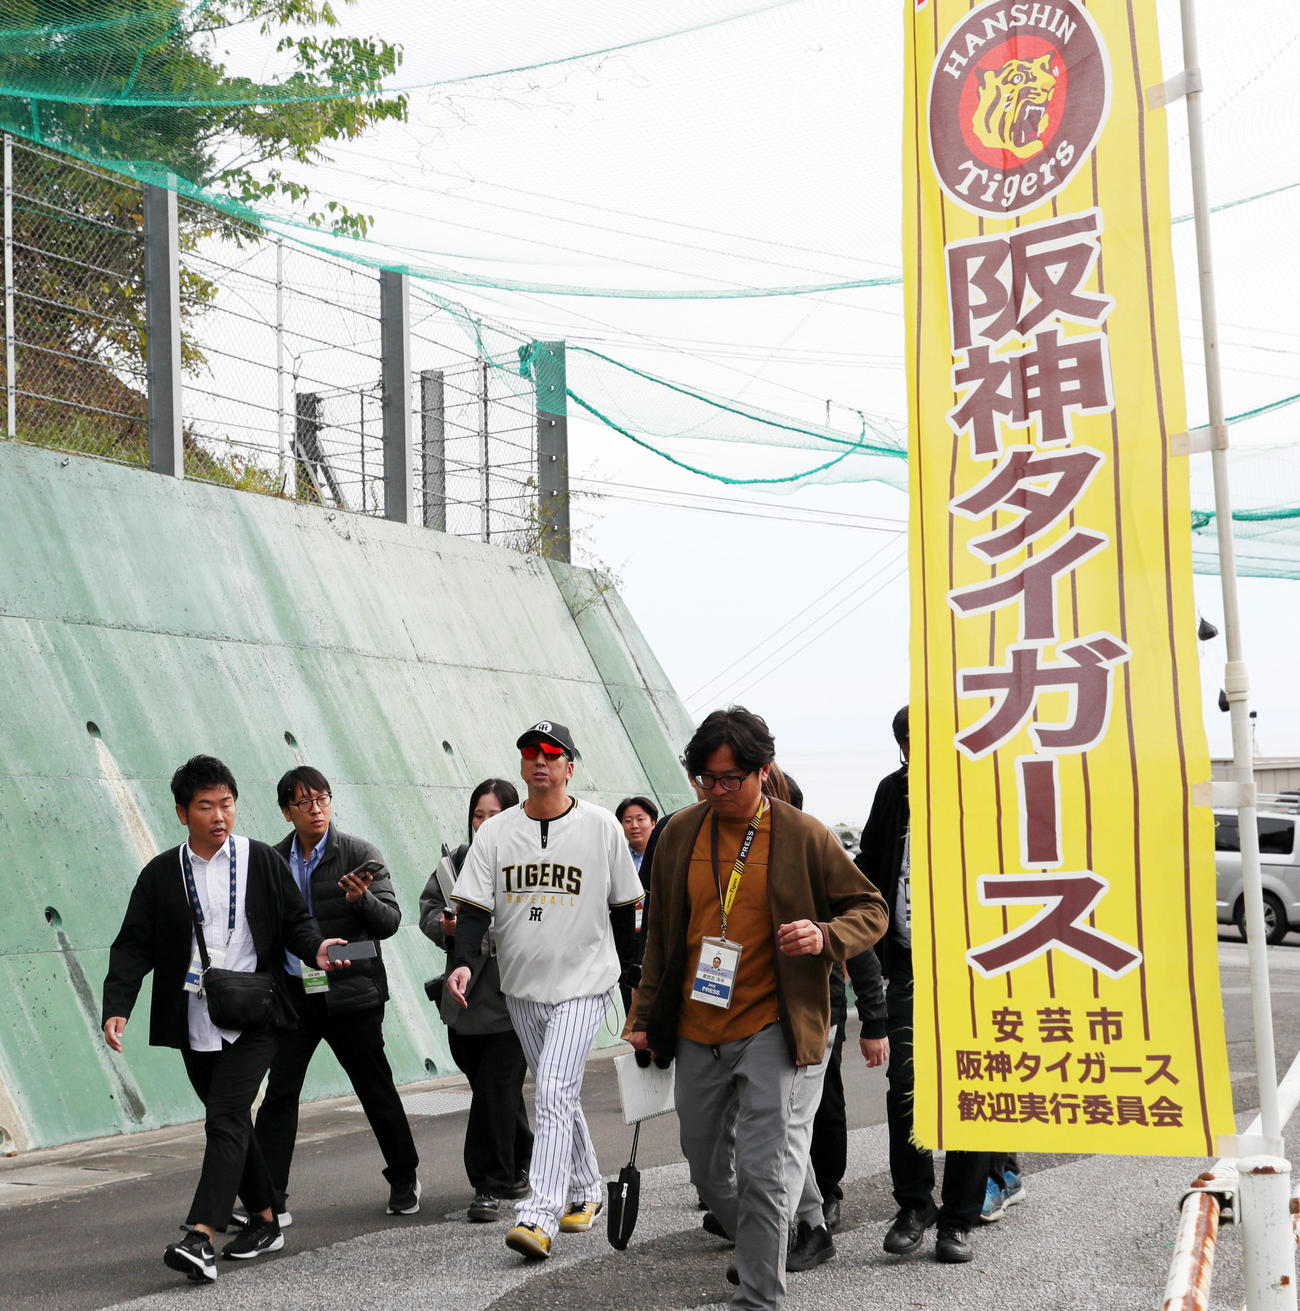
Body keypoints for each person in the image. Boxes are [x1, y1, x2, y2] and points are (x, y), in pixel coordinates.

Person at [630, 706, 888, 1311]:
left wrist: (825, 935)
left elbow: (870, 909)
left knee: (763, 1170)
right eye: (706, 780)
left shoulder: (803, 834)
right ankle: (769, 1241)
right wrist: (643, 1017)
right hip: (696, 1026)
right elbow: (663, 934)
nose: (718, 791)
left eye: (731, 780)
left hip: (775, 1024)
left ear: (762, 771)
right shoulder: (679, 834)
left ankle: (758, 1297)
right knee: (704, 1161)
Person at [101, 755, 346, 1283]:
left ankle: (201, 1236)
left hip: (257, 1013)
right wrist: (118, 1005)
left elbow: (297, 923)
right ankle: (264, 1218)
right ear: (181, 812)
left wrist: (318, 949)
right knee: (232, 1119)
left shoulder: (259, 859)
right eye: (206, 806)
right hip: (194, 1018)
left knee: (224, 1116)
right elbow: (133, 945)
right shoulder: (163, 873)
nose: (219, 816)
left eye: (227, 804)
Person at [446, 720, 642, 1262]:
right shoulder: (496, 832)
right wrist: (463, 964)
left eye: (552, 754)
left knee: (553, 1089)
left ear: (569, 766)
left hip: (585, 982)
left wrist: (634, 991)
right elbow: (472, 909)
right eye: (531, 752)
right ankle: (585, 1188)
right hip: (522, 987)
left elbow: (626, 913)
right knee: (561, 1092)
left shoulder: (602, 827)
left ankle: (538, 1215)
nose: (540, 761)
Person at [250, 767, 420, 1222]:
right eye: (303, 802)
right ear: (287, 812)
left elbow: (389, 922)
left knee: (374, 1087)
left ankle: (404, 1177)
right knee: (280, 1094)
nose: (316, 808)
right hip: (295, 995)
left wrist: (359, 900)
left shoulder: (358, 853)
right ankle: (271, 1198)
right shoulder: (273, 859)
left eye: (322, 798)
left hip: (352, 993)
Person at [857, 705, 991, 1265]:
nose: (923, 748)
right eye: (911, 741)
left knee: (976, 1087)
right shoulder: (893, 792)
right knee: (905, 1088)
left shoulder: (983, 786)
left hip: (981, 967)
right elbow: (868, 865)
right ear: (904, 747)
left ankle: (958, 1219)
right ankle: (914, 1205)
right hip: (911, 965)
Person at [419, 778, 533, 1223]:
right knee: (494, 1091)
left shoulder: (526, 860)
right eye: (478, 815)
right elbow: (428, 909)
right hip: (463, 999)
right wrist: (444, 928)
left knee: (495, 1088)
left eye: (494, 815)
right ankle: (524, 1159)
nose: (484, 823)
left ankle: (489, 1181)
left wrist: (482, 935)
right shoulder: (457, 863)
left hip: (512, 997)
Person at [616, 795, 659, 873]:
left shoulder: (663, 856)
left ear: (653, 823)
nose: (634, 826)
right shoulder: (616, 858)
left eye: (640, 819)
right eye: (628, 821)